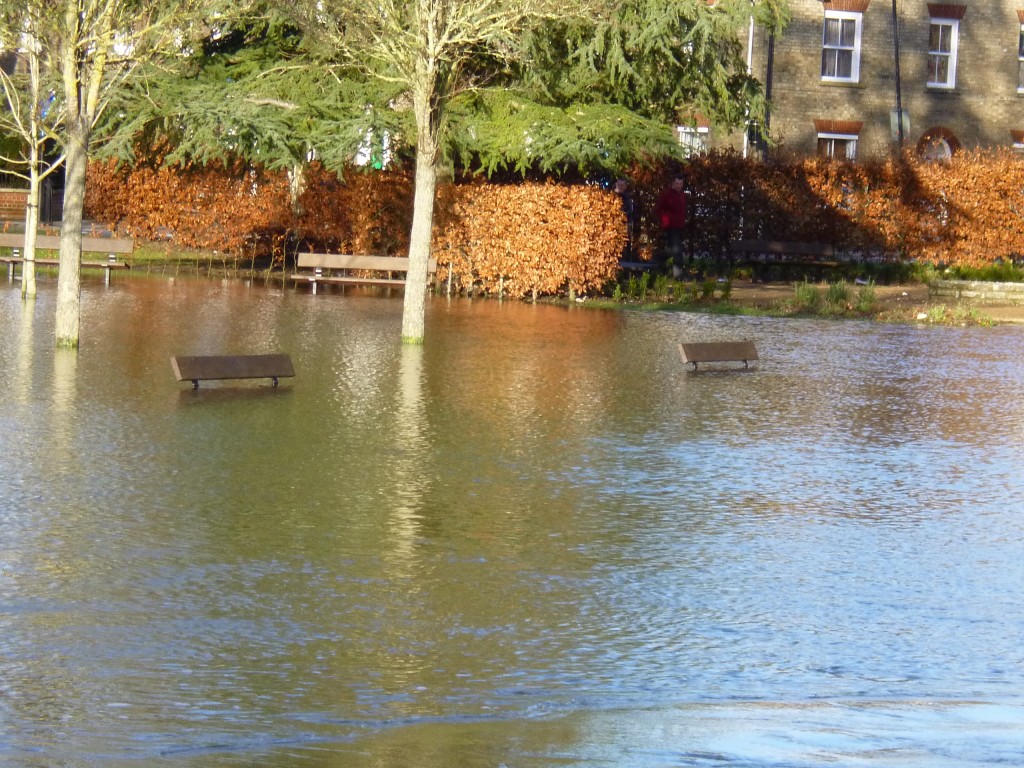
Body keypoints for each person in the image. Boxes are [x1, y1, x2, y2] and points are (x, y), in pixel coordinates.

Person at [652, 175, 688, 272]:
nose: (678, 186)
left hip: (679, 225)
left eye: (680, 184)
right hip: (670, 226)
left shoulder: (682, 195)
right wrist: (664, 220)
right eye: (677, 183)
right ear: (672, 183)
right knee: (677, 250)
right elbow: (658, 209)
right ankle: (678, 274)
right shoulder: (666, 194)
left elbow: (682, 210)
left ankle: (656, 260)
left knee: (672, 249)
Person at [614, 178, 637, 261]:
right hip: (613, 225)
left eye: (622, 185)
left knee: (625, 245)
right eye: (619, 185)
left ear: (625, 186)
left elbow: (630, 211)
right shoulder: (611, 196)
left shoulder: (628, 198)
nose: (620, 187)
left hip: (625, 224)